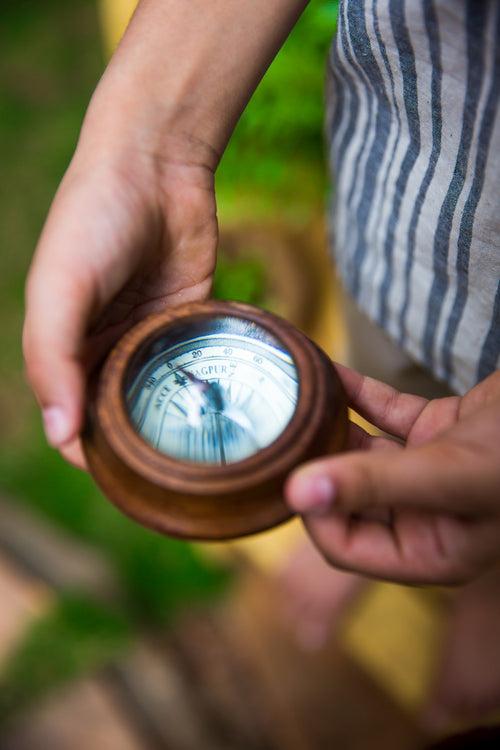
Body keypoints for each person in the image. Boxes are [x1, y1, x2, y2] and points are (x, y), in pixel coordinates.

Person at [23, 0, 500, 735]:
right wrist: (146, 147)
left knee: (475, 484)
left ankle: (486, 597)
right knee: (393, 397)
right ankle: (350, 503)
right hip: (401, 219)